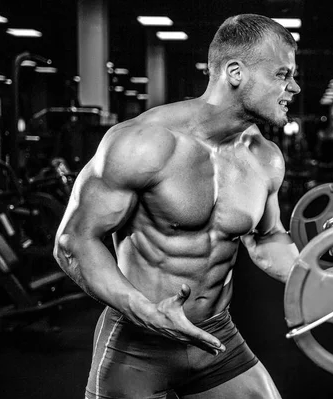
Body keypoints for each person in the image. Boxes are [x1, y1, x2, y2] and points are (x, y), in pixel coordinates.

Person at [53, 14, 300, 399]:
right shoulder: (145, 143)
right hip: (138, 341)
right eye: (282, 74)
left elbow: (267, 238)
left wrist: (317, 275)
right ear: (235, 72)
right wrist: (143, 310)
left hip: (216, 338)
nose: (294, 86)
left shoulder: (265, 158)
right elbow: (73, 240)